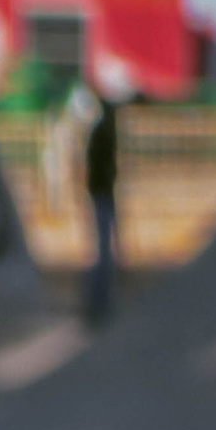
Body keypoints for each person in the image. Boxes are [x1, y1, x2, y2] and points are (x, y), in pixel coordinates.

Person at [82, 87, 121, 327]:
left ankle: (99, 300)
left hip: (102, 193)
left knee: (103, 250)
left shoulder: (102, 133)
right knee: (103, 251)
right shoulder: (103, 134)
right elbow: (99, 169)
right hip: (102, 194)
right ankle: (98, 301)